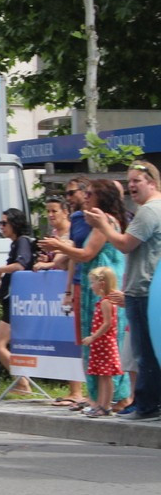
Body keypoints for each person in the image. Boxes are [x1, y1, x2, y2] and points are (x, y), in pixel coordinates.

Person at [41, 179, 131, 411]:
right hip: (95, 286)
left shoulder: (106, 221)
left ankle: (119, 398)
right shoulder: (93, 221)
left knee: (108, 343)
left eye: (90, 193)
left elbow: (86, 254)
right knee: (93, 345)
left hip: (107, 287)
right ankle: (97, 398)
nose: (86, 197)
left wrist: (59, 247)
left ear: (103, 196)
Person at [85, 160, 161, 421]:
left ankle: (148, 406)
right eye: (129, 182)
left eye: (136, 181)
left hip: (143, 290)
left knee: (145, 352)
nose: (131, 187)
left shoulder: (149, 211)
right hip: (150, 288)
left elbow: (125, 245)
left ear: (152, 181)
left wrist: (103, 225)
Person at [0, 208, 34, 395]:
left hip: (17, 303)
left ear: (15, 224)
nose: (1, 226)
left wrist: (1, 269)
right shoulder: (16, 243)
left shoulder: (22, 242)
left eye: (4, 223)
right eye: (0, 223)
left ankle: (23, 381)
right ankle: (22, 381)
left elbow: (21, 265)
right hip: (13, 301)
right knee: (2, 344)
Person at [80, 266, 122, 418]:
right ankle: (101, 404)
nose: (91, 286)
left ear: (102, 283)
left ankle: (106, 405)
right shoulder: (103, 301)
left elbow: (107, 323)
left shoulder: (106, 302)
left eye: (93, 283)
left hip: (105, 343)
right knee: (102, 375)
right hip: (101, 344)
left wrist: (93, 336)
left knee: (106, 375)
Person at [33, 196, 71, 270]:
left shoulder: (72, 231)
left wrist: (46, 265)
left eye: (54, 211)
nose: (50, 215)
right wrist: (47, 259)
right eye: (48, 211)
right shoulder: (54, 233)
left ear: (65, 212)